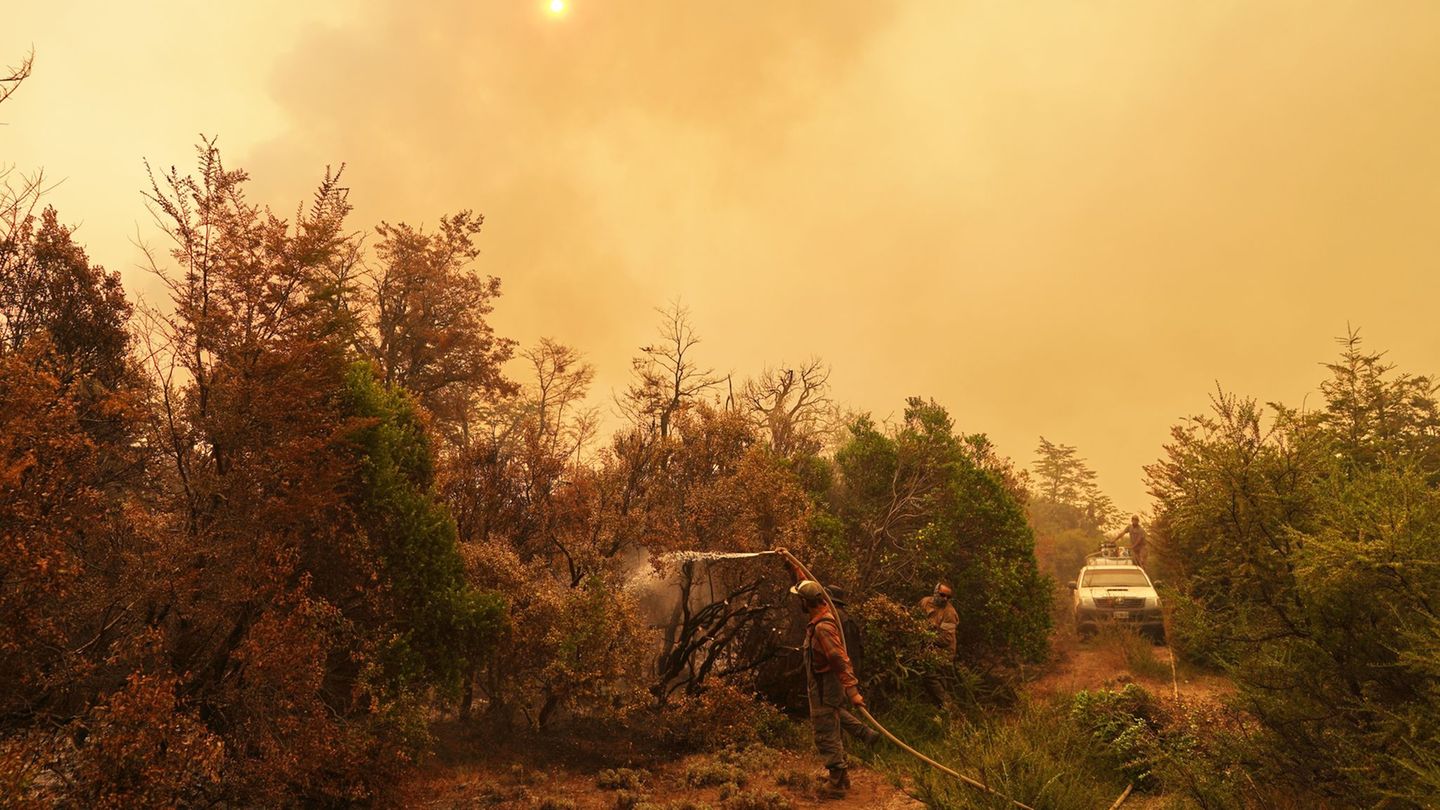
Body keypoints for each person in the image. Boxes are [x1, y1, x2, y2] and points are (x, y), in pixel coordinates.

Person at [778, 553, 866, 793]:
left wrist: (853, 691)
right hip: (822, 684)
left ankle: (836, 782)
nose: (799, 602)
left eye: (800, 599)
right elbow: (807, 585)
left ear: (806, 602)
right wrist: (790, 564)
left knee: (825, 731)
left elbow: (839, 659)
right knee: (832, 724)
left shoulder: (823, 627)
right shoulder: (821, 607)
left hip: (827, 685)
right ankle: (843, 773)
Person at [826, 585, 879, 747]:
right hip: (842, 671)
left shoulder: (838, 621)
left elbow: (846, 653)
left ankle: (862, 734)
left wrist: (848, 678)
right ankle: (845, 747)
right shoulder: (841, 619)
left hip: (838, 672)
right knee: (833, 708)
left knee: (830, 708)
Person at [917, 583, 959, 705]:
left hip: (943, 652)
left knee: (931, 676)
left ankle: (948, 707)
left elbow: (946, 639)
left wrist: (925, 638)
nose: (945, 598)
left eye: (948, 597)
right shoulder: (925, 602)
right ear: (936, 592)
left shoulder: (950, 613)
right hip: (927, 648)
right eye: (942, 595)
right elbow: (915, 617)